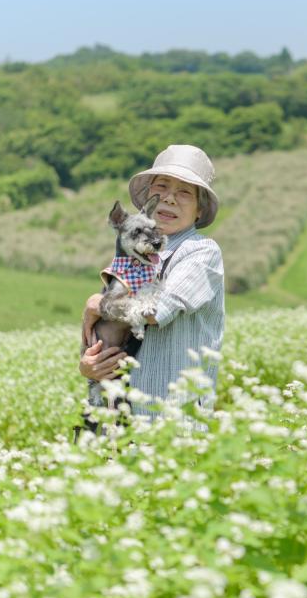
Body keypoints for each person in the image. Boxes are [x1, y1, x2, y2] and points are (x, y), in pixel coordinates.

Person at [78, 144, 225, 422]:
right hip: (114, 419)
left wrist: (97, 302)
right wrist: (89, 366)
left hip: (169, 422)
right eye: (161, 187)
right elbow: (104, 333)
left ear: (198, 210)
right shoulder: (134, 256)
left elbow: (155, 311)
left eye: (184, 192)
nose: (169, 199)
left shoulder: (201, 252)